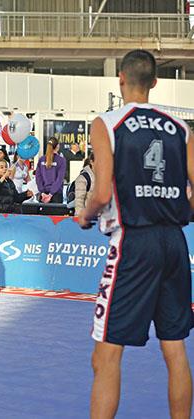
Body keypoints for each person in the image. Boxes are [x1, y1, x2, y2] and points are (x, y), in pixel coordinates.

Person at [78, 49, 194, 419]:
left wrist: (85, 215)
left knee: (106, 355)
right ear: (155, 82)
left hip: (133, 242)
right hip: (174, 241)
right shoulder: (180, 128)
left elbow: (101, 193)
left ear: (121, 79)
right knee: (175, 349)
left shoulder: (107, 123)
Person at [36, 137, 66, 203]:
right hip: (56, 195)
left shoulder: (41, 159)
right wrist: (50, 194)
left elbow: (38, 178)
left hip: (43, 196)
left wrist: (42, 193)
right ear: (57, 146)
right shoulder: (61, 160)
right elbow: (59, 179)